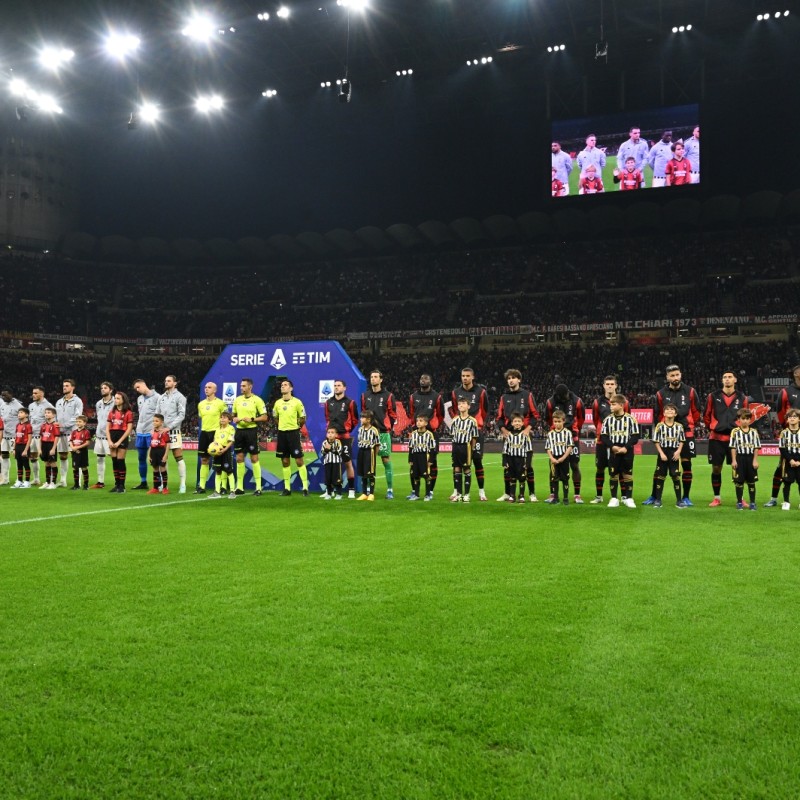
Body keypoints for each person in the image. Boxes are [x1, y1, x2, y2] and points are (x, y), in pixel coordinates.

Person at [645, 364, 701, 507]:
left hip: (686, 433)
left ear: (680, 375)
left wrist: (688, 426)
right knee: (660, 466)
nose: (675, 378)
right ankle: (653, 495)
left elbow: (696, 412)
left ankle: (686, 497)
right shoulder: (660, 393)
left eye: (677, 375)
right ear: (667, 377)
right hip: (666, 435)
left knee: (687, 464)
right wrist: (663, 429)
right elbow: (657, 414)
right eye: (672, 375)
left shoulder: (690, 391)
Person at [704, 371, 749, 507]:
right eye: (724, 377)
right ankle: (717, 498)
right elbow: (706, 415)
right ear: (722, 380)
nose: (727, 379)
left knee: (738, 468)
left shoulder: (742, 397)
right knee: (716, 468)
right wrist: (713, 427)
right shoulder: (713, 396)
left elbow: (746, 416)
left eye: (730, 377)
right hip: (716, 438)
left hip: (735, 438)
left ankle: (740, 499)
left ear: (735, 380)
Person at [496, 368, 541, 502]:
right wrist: (503, 430)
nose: (511, 380)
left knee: (528, 465)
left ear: (519, 380)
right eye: (509, 378)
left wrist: (528, 429)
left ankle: (532, 493)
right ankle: (507, 493)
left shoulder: (527, 395)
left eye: (513, 378)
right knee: (507, 466)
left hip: (524, 435)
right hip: (509, 436)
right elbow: (499, 417)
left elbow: (535, 415)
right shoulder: (504, 397)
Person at [450, 367, 489, 501]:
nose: (465, 378)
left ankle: (481, 491)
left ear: (473, 377)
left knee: (477, 461)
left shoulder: (481, 392)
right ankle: (456, 491)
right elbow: (455, 409)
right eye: (463, 375)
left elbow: (485, 410)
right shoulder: (455, 392)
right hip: (461, 433)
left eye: (467, 376)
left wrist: (477, 423)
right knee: (457, 464)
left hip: (475, 432)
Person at [765, 365, 800, 507]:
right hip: (791, 436)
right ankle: (774, 498)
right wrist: (788, 427)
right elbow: (780, 412)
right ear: (796, 373)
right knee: (781, 468)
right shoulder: (786, 392)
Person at [590, 375, 629, 504]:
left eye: (612, 384)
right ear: (603, 386)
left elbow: (627, 418)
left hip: (619, 441)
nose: (610, 386)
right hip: (602, 441)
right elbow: (596, 420)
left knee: (621, 469)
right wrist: (602, 433)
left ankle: (623, 496)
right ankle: (599, 496)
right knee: (600, 468)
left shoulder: (624, 402)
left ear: (616, 385)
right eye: (607, 384)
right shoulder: (597, 402)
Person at [544, 383, 586, 503]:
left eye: (567, 394)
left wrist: (573, 430)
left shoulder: (576, 401)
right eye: (564, 396)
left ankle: (577, 495)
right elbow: (548, 418)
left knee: (574, 465)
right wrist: (556, 430)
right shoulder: (550, 402)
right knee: (553, 466)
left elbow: (581, 418)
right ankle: (553, 494)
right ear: (558, 396)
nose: (566, 397)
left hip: (572, 437)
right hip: (555, 439)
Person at [361, 370, 397, 499]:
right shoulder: (365, 396)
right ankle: (370, 490)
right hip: (369, 434)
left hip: (382, 433)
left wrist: (387, 427)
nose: (373, 379)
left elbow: (393, 415)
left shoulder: (388, 396)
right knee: (370, 461)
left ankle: (390, 489)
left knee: (385, 459)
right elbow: (364, 413)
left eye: (376, 377)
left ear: (381, 380)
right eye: (371, 377)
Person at [600, 393, 640, 508]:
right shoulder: (608, 420)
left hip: (627, 450)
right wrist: (612, 446)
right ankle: (613, 498)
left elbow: (635, 436)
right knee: (613, 474)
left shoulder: (631, 419)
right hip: (613, 450)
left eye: (613, 404)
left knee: (627, 474)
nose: (611, 406)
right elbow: (603, 436)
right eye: (610, 404)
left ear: (621, 405)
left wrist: (625, 447)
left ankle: (629, 498)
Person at [408, 374, 445, 500]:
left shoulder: (437, 397)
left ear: (431, 382)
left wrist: (433, 425)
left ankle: (430, 491)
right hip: (417, 432)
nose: (423, 381)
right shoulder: (413, 396)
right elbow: (412, 413)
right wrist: (416, 425)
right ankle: (414, 491)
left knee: (432, 462)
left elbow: (441, 415)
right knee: (414, 462)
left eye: (426, 379)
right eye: (422, 378)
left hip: (431, 433)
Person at [232, 378, 268, 497]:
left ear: (250, 387)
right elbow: (233, 415)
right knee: (239, 458)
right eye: (241, 386)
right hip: (240, 431)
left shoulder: (257, 400)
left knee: (254, 459)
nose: (241, 388)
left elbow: (264, 417)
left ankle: (258, 487)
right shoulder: (237, 400)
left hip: (251, 431)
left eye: (243, 386)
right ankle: (240, 487)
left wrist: (252, 419)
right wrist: (235, 419)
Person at [273, 379, 309, 497]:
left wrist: (297, 426)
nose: (282, 387)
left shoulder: (297, 402)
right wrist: (281, 426)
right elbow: (275, 417)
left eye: (285, 385)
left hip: (293, 433)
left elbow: (303, 417)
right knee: (284, 461)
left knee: (299, 460)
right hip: (282, 434)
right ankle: (287, 488)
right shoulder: (277, 403)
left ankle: (305, 488)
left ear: (291, 388)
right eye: (282, 385)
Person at [324, 379, 359, 498]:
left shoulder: (350, 403)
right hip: (332, 438)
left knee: (347, 462)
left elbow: (355, 420)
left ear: (344, 388)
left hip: (344, 436)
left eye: (339, 385)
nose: (336, 387)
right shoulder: (328, 402)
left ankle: (351, 490)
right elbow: (327, 418)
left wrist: (347, 429)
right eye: (335, 386)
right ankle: (330, 490)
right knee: (330, 463)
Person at [155, 375, 187, 494]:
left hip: (173, 432)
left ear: (175, 383)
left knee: (178, 457)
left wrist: (169, 427)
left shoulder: (180, 397)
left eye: (169, 381)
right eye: (165, 380)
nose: (166, 382)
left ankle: (182, 484)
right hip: (162, 432)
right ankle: (164, 484)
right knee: (164, 459)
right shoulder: (161, 397)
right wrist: (157, 427)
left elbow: (181, 415)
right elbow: (157, 414)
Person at [651, 403, 685, 508]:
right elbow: (656, 441)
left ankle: (679, 501)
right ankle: (658, 500)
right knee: (660, 476)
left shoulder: (679, 426)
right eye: (667, 410)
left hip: (674, 452)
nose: (669, 411)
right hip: (663, 452)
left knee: (675, 476)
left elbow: (682, 440)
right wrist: (661, 453)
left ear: (675, 414)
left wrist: (679, 451)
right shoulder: (660, 426)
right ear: (664, 413)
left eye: (672, 410)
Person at [196, 381, 227, 494]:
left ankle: (222, 487)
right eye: (205, 387)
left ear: (214, 390)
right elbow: (201, 417)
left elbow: (225, 419)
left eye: (209, 387)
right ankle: (202, 486)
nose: (206, 389)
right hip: (204, 433)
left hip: (217, 433)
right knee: (204, 459)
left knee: (220, 460)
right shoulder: (201, 404)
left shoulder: (220, 404)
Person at [132, 379, 160, 490]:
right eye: (136, 389)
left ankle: (159, 483)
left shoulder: (158, 397)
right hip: (140, 432)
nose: (137, 390)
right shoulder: (139, 399)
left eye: (138, 387)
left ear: (144, 384)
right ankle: (143, 482)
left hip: (151, 432)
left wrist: (156, 430)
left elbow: (160, 415)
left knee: (155, 459)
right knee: (141, 458)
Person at [55, 378, 83, 488]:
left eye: (67, 385)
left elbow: (77, 416)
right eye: (63, 385)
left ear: (72, 387)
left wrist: (64, 424)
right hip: (61, 433)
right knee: (62, 456)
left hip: (72, 433)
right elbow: (56, 417)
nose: (64, 387)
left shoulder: (77, 401)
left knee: (76, 457)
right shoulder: (59, 402)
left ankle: (78, 481)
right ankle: (63, 480)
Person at [730, 408, 760, 510]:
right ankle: (739, 502)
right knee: (739, 482)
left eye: (747, 419)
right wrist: (734, 460)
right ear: (739, 419)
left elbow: (756, 447)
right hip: (740, 458)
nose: (745, 421)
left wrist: (755, 460)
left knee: (751, 482)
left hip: (750, 458)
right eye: (743, 419)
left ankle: (752, 503)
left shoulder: (754, 432)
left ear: (750, 420)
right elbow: (733, 447)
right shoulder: (735, 431)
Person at [450, 397, 479, 503]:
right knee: (456, 469)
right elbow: (453, 434)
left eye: (463, 403)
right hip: (456, 446)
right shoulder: (455, 420)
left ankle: (466, 494)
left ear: (468, 406)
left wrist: (472, 449)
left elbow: (474, 436)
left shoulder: (472, 421)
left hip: (466, 447)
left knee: (466, 469)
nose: (461, 405)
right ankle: (458, 494)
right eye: (459, 404)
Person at [502, 412, 533, 504]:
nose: (517, 423)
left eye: (519, 421)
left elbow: (529, 450)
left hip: (521, 459)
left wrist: (528, 463)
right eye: (515, 421)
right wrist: (504, 461)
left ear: (523, 423)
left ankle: (522, 496)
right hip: (511, 459)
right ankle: (512, 496)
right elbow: (505, 450)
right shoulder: (509, 435)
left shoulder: (525, 435)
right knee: (512, 478)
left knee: (522, 478)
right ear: (512, 423)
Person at [107, 391, 134, 493]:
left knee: (120, 460)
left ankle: (122, 486)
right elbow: (107, 428)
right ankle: (116, 484)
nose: (116, 400)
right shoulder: (111, 412)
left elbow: (129, 429)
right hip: (112, 436)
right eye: (115, 398)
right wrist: (109, 440)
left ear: (123, 400)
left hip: (121, 437)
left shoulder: (128, 413)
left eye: (118, 398)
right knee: (114, 461)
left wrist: (119, 442)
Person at [28, 386, 54, 486]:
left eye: (35, 393)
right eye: (33, 393)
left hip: (43, 437)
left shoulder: (48, 406)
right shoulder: (31, 405)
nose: (33, 395)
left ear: (42, 394)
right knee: (33, 457)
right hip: (32, 435)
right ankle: (36, 479)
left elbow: (52, 421)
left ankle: (50, 480)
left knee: (46, 458)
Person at [545, 410, 572, 505]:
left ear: (563, 421)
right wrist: (551, 458)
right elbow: (548, 448)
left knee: (565, 479)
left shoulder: (567, 433)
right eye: (555, 421)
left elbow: (570, 446)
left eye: (559, 421)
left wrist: (563, 457)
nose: (557, 423)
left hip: (564, 459)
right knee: (554, 479)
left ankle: (565, 498)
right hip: (553, 459)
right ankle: (555, 498)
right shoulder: (550, 434)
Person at [91, 381, 115, 489]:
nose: (102, 389)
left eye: (105, 388)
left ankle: (118, 481)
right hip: (99, 435)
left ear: (111, 390)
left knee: (114, 458)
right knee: (99, 458)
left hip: (110, 436)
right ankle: (100, 482)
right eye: (101, 388)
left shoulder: (116, 402)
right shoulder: (98, 403)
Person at [407, 415, 436, 501]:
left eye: (421, 421)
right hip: (415, 456)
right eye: (417, 421)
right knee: (415, 476)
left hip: (424, 456)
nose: (418, 422)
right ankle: (416, 494)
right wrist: (410, 459)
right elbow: (411, 448)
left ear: (426, 423)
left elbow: (432, 449)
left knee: (426, 475)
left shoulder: (429, 434)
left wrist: (431, 460)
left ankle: (427, 494)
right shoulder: (413, 434)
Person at [208, 410, 236, 499]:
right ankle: (217, 492)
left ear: (229, 420)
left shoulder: (230, 428)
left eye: (224, 417)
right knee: (218, 471)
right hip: (218, 452)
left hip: (226, 451)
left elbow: (231, 441)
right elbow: (215, 442)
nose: (222, 419)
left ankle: (232, 491)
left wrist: (224, 450)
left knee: (229, 471)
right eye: (221, 417)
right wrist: (213, 450)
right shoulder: (217, 429)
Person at [0, 388, 24, 485]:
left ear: (11, 394)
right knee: (4, 456)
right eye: (2, 395)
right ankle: (5, 479)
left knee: (18, 457)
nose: (3, 397)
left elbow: (24, 417)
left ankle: (20, 479)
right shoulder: (2, 404)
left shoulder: (18, 405)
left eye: (5, 395)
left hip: (14, 436)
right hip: (4, 436)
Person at [356, 410, 381, 501]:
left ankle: (371, 493)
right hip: (361, 451)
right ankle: (364, 493)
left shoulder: (374, 430)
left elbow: (377, 444)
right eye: (361, 417)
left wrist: (375, 454)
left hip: (369, 452)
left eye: (363, 417)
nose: (361, 419)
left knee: (370, 474)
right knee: (363, 473)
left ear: (368, 419)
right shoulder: (360, 429)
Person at [779, 409, 800, 511]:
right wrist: (791, 460)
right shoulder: (784, 433)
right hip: (787, 461)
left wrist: (799, 461)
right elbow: (782, 449)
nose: (792, 418)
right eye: (790, 417)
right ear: (787, 420)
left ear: (799, 419)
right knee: (787, 482)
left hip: (799, 459)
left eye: (795, 416)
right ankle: (786, 502)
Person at [147, 413, 171, 494]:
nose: (154, 422)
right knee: (155, 469)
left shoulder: (164, 432)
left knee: (163, 469)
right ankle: (155, 488)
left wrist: (165, 455)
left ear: (161, 422)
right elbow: (151, 444)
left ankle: (165, 488)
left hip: (161, 451)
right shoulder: (152, 432)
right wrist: (148, 455)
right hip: (154, 451)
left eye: (156, 421)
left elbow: (168, 444)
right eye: (153, 421)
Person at [38, 406, 60, 489]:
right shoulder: (43, 425)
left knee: (53, 463)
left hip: (51, 445)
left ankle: (53, 483)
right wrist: (40, 449)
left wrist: (53, 448)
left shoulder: (55, 425)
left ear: (53, 415)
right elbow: (41, 437)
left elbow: (57, 437)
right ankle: (47, 482)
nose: (46, 414)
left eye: (49, 413)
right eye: (46, 412)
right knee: (46, 463)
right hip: (44, 445)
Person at [320, 426, 344, 500]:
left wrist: (331, 449)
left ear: (336, 435)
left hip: (336, 463)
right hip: (327, 463)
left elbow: (339, 452)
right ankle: (329, 494)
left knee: (337, 478)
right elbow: (322, 453)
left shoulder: (338, 442)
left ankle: (339, 494)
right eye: (329, 432)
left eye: (332, 433)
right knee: (328, 479)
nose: (330, 434)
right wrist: (326, 450)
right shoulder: (324, 443)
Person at [69, 415, 92, 490]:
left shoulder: (86, 432)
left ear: (84, 423)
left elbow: (87, 442)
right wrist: (73, 448)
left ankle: (86, 485)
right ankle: (76, 485)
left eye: (80, 422)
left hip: (83, 452)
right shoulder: (74, 432)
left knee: (84, 467)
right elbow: (71, 441)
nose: (78, 423)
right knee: (75, 468)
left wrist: (77, 448)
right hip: (75, 452)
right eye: (77, 421)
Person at [12, 407, 33, 488]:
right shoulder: (18, 425)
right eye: (19, 412)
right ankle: (19, 481)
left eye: (21, 412)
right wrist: (14, 449)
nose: (19, 414)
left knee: (26, 464)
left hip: (24, 446)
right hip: (17, 446)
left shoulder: (28, 425)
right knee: (19, 464)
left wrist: (26, 450)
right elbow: (16, 437)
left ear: (26, 414)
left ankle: (27, 482)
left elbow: (29, 438)